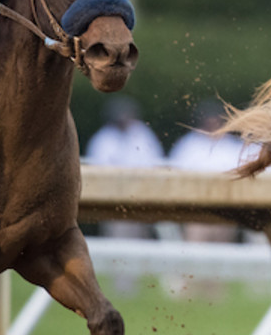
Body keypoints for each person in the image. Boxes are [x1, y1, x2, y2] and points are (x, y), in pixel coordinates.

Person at [85, 95, 165, 241]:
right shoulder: (103, 138)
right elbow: (98, 172)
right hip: (113, 201)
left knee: (143, 239)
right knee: (118, 237)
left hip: (142, 198)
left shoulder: (143, 134)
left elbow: (154, 164)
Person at [168, 99, 245, 245]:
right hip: (195, 208)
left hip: (226, 207)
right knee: (195, 245)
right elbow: (176, 176)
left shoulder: (232, 146)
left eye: (215, 120)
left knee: (223, 246)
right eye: (208, 120)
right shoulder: (188, 145)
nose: (212, 124)